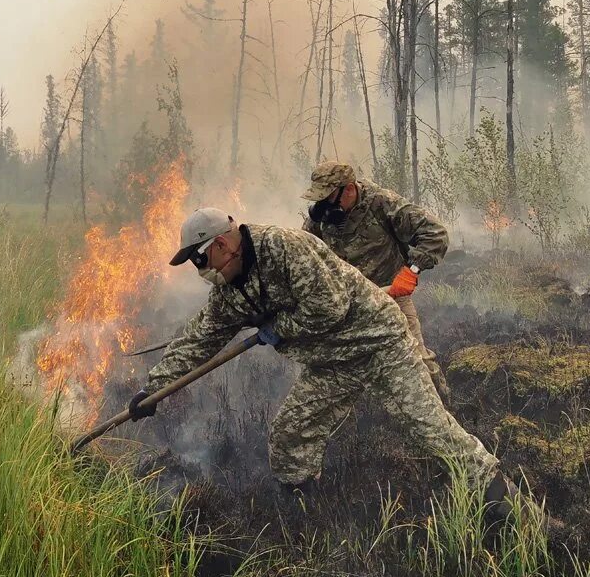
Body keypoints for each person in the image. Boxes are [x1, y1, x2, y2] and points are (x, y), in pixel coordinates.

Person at [128, 207, 518, 519]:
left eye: (200, 258)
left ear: (222, 243)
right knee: (290, 436)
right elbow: (200, 338)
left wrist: (279, 327)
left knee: (430, 429)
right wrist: (154, 388)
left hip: (378, 343)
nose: (201, 270)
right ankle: (305, 520)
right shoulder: (231, 291)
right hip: (333, 363)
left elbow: (330, 307)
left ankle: (511, 508)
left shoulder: (282, 248)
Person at [302, 160, 451, 403]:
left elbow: (435, 233)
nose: (323, 207)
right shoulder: (322, 216)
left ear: (348, 189)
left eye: (328, 198)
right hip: (346, 306)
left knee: (417, 364)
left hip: (390, 299)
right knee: (332, 374)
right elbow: (305, 252)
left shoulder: (382, 203)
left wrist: (411, 271)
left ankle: (446, 417)